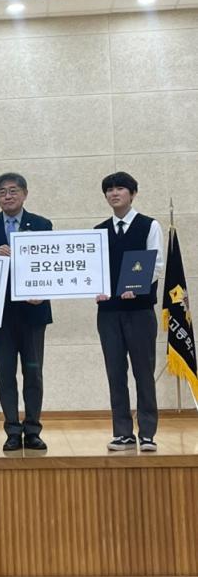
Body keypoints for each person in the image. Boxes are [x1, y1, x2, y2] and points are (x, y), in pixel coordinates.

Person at [0, 173, 52, 451]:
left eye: (13, 190)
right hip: (1, 313)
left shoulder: (42, 224)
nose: (8, 196)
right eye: (2, 192)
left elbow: (52, 265)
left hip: (33, 312)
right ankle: (11, 430)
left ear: (25, 194)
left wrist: (42, 294)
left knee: (34, 373)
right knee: (5, 374)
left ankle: (33, 430)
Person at [95, 172, 164, 452]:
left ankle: (147, 433)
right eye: (109, 190)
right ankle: (122, 433)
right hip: (108, 312)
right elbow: (93, 269)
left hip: (139, 310)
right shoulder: (98, 231)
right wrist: (95, 288)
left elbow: (156, 264)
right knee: (115, 373)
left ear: (133, 193)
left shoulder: (149, 225)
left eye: (120, 188)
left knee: (143, 372)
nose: (114, 193)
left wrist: (137, 287)